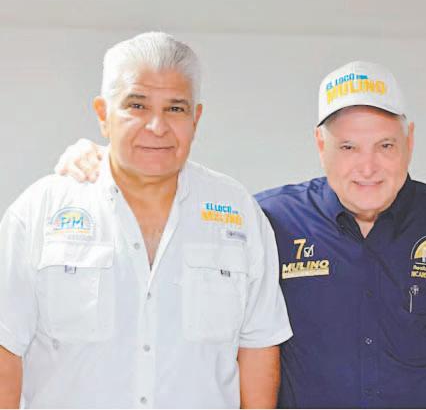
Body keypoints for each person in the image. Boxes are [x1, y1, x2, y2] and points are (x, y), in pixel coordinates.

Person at [58, 60, 426, 408]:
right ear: (320, 145)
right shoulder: (266, 219)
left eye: (385, 146)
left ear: (409, 140)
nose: (367, 168)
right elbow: (165, 220)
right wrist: (113, 162)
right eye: (348, 147)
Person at [0, 32, 292, 409]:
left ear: (196, 118)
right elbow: (6, 348)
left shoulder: (238, 212)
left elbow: (258, 347)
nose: (157, 126)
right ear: (103, 114)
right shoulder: (41, 210)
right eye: (136, 105)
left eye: (175, 109)